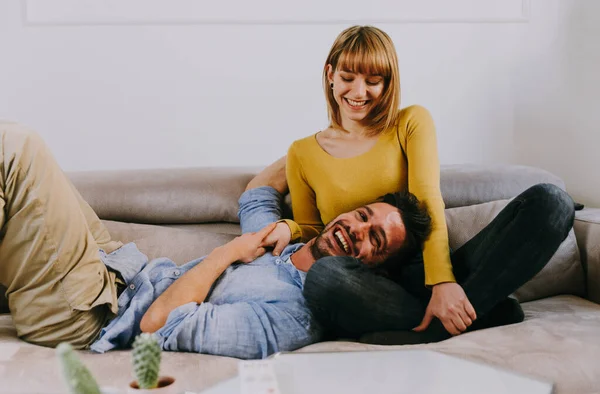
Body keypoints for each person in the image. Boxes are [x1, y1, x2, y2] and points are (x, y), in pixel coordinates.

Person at [0, 121, 431, 359]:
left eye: (375, 238)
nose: (356, 230)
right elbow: (259, 191)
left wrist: (227, 253)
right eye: (361, 215)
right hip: (114, 267)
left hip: (93, 317)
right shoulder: (281, 245)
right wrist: (344, 137)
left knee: (18, 149)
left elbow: (154, 327)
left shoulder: (292, 319)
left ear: (377, 270)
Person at [259, 25, 576, 342]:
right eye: (348, 78)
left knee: (553, 202)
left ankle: (437, 324)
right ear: (330, 74)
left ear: (388, 82)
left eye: (373, 81)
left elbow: (428, 199)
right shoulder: (301, 152)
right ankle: (478, 315)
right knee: (324, 276)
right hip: (365, 280)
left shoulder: (410, 122)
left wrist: (442, 282)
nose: (358, 93)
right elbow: (314, 233)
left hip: (424, 268)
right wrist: (290, 227)